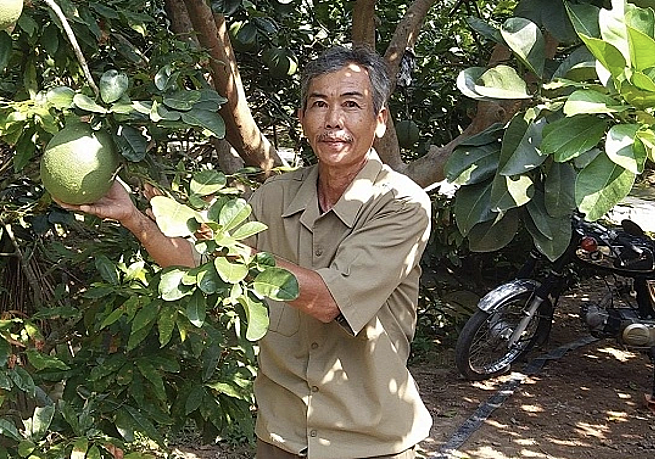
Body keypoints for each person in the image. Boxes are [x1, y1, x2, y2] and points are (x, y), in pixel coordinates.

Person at [60, 45, 432, 459]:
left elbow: (329, 300)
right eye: (319, 104)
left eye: (351, 104)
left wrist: (236, 255)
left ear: (380, 121)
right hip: (280, 437)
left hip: (371, 443)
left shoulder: (402, 204)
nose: (333, 120)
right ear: (302, 118)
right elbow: (201, 262)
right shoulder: (275, 196)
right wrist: (135, 219)